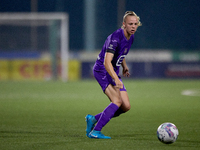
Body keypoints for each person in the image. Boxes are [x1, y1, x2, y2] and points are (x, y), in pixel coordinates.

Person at [85, 11, 142, 139]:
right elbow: (106, 62)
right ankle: (96, 131)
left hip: (113, 71)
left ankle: (93, 119)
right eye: (130, 24)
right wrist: (116, 79)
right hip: (102, 71)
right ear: (124, 25)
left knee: (126, 106)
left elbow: (121, 53)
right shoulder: (115, 38)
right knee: (117, 101)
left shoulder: (131, 37)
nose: (133, 26)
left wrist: (124, 66)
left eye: (135, 24)